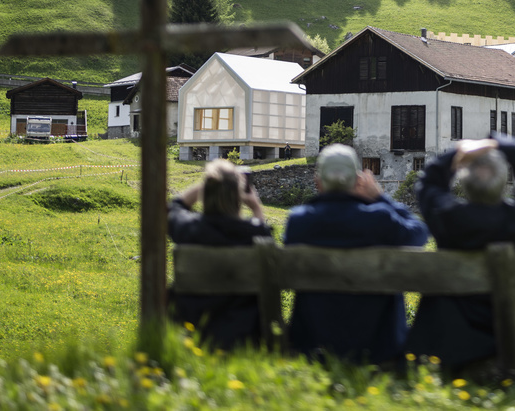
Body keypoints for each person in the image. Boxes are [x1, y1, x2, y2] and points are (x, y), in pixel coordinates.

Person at [406, 137, 515, 368]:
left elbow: (427, 183)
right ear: (501, 183)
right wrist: (493, 142)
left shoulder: (448, 218)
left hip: (457, 340)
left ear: (465, 184)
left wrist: (460, 149)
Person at [283, 144, 428, 365]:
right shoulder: (379, 219)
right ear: (356, 180)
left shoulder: (299, 222)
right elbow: (419, 234)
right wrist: (381, 198)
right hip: (378, 347)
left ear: (318, 181)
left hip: (314, 345)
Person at [167, 159, 271, 350]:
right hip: (243, 336)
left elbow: (173, 208)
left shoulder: (189, 229)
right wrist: (256, 208)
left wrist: (207, 184)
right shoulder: (255, 234)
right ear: (238, 197)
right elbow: (262, 236)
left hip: (189, 333)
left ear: (206, 192)